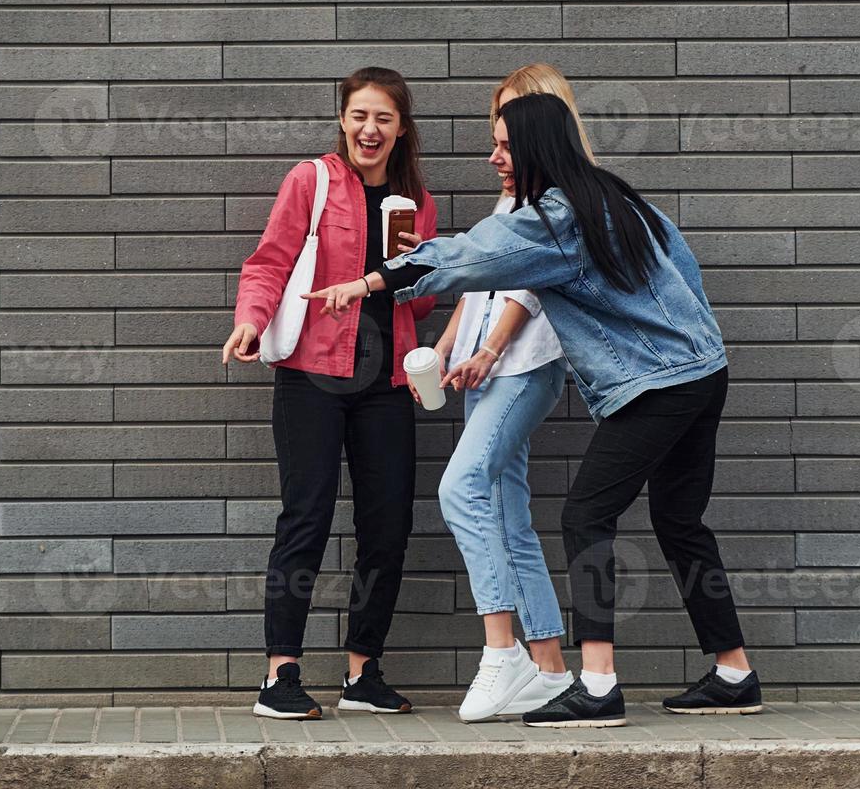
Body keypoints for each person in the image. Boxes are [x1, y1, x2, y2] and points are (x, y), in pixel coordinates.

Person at [307, 93, 762, 727]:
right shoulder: (616, 194)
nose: (494, 157)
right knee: (680, 520)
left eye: (504, 145)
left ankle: (598, 686)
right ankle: (734, 671)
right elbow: (684, 272)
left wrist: (367, 281)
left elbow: (469, 257)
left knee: (585, 516)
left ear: (536, 148)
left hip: (657, 385)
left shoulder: (554, 217)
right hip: (704, 370)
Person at [222, 66, 438, 720]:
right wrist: (249, 321)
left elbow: (423, 303)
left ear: (402, 130)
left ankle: (362, 672)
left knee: (387, 525)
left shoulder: (415, 202)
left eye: (384, 119)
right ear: (343, 120)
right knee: (307, 516)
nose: (369, 130)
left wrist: (407, 266)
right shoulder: (311, 181)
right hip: (312, 376)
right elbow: (270, 262)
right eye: (359, 116)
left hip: (387, 383)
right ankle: (278, 675)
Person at [434, 66, 593, 722]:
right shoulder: (512, 195)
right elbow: (480, 274)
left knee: (459, 488)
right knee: (506, 516)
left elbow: (528, 288)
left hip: (522, 367)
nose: (499, 145)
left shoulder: (559, 198)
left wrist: (490, 349)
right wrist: (448, 345)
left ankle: (502, 653)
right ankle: (551, 669)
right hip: (483, 366)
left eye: (511, 126)